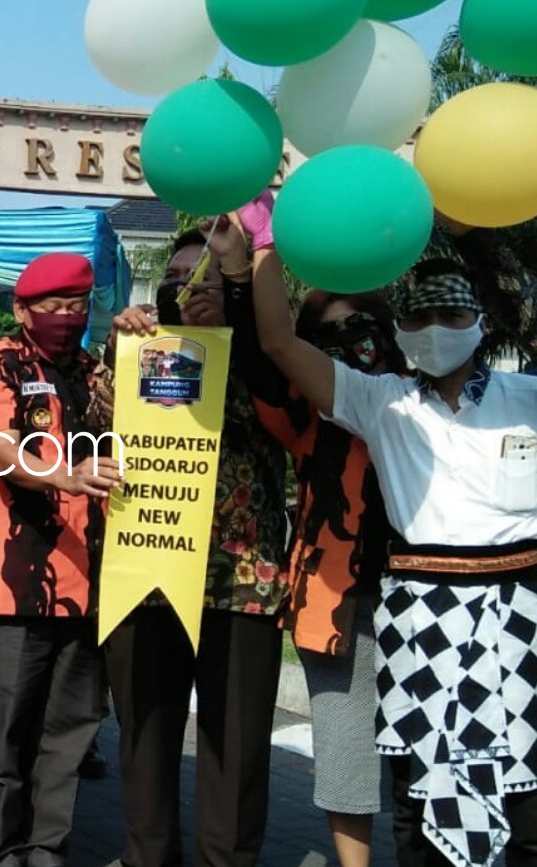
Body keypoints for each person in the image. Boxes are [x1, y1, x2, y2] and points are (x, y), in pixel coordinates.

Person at [248, 220, 537, 867]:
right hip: (422, 614)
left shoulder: (529, 397)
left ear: (481, 319)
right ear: (402, 328)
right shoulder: (381, 401)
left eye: (452, 310)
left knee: (526, 790)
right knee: (420, 794)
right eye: (423, 313)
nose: (438, 323)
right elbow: (277, 341)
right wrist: (265, 237)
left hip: (520, 616)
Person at [96, 219, 289, 867]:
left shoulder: (263, 351)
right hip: (145, 571)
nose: (186, 289)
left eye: (201, 276)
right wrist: (114, 350)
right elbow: (94, 424)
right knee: (144, 738)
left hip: (241, 580)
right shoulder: (135, 351)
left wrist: (234, 315)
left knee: (234, 749)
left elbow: (284, 405)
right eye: (174, 279)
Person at [220, 195, 401, 867]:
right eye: (334, 336)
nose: (357, 350)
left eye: (367, 331)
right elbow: (270, 347)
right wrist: (261, 249)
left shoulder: (414, 397)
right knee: (347, 744)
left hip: (432, 584)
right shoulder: (300, 414)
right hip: (336, 587)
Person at [0, 253, 119, 867]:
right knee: (4, 737)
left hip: (91, 584)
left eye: (75, 307)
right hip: (14, 583)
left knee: (70, 732)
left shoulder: (98, 369)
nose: (64, 318)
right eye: (50, 308)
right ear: (23, 310)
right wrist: (65, 476)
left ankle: (46, 849)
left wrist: (142, 332)